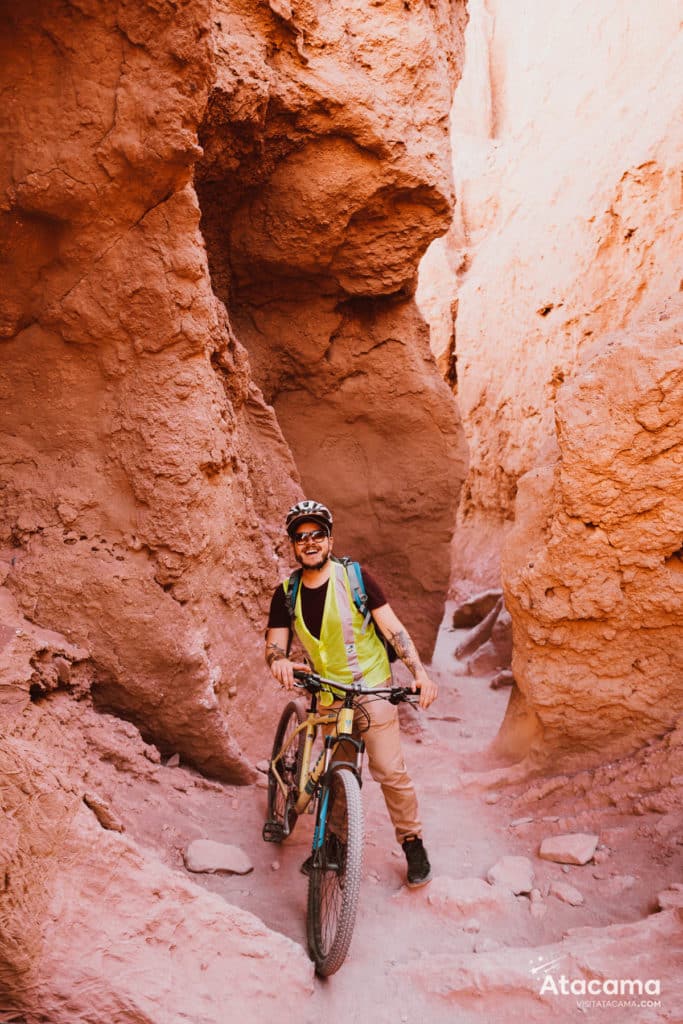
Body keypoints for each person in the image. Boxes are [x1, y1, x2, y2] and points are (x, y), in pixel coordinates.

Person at [265, 498, 438, 888]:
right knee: (337, 771)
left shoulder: (356, 578)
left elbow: (394, 630)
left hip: (372, 687)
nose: (309, 542)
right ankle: (334, 844)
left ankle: (412, 841)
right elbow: (274, 645)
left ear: (330, 539)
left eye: (317, 535)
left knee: (390, 771)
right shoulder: (286, 593)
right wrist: (278, 662)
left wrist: (420, 675)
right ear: (293, 544)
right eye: (301, 536)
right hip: (329, 694)